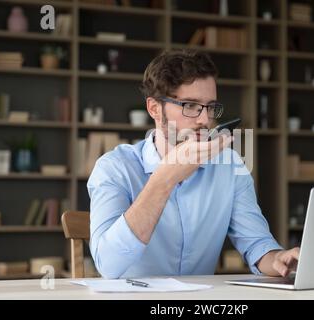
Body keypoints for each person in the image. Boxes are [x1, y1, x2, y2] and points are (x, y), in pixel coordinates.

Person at [88, 50, 299, 279]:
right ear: (154, 108)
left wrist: (277, 258)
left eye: (210, 106)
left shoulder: (229, 167)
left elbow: (256, 243)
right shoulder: (114, 168)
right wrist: (166, 177)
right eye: (190, 105)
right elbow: (108, 264)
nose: (204, 120)